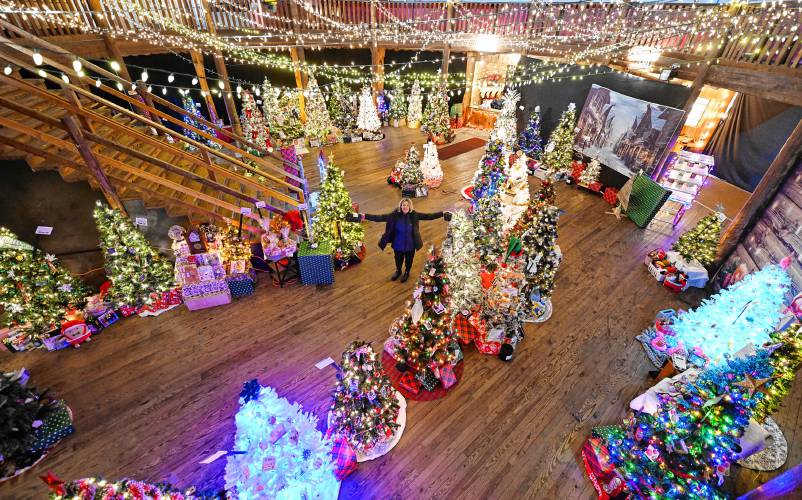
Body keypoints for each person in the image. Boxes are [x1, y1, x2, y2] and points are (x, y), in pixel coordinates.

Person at [358, 198, 450, 283]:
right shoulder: (394, 215)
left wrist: (442, 213)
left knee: (409, 260)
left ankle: (407, 272)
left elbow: (429, 216)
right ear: (400, 206)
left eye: (407, 205)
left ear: (410, 206)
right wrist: (365, 216)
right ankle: (398, 271)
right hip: (398, 244)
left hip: (410, 245)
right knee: (398, 259)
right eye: (403, 205)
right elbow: (379, 218)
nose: (405, 207)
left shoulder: (415, 215)